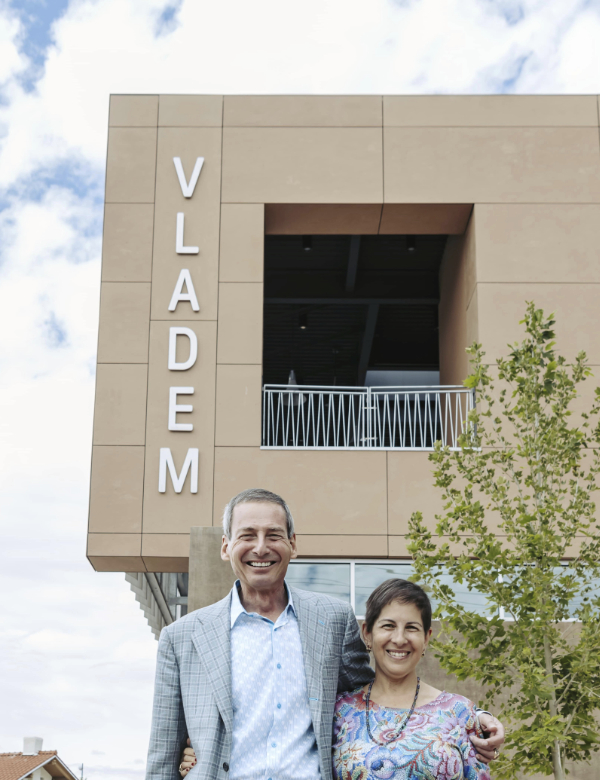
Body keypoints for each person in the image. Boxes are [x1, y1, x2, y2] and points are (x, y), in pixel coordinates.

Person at [146, 488, 503, 780]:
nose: (260, 547)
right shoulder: (182, 638)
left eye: (273, 535)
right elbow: (162, 758)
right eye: (247, 535)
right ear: (226, 547)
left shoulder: (332, 620)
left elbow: (374, 699)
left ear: (293, 544)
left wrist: (471, 718)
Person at [333, 578, 490, 779]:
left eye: (411, 628)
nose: (399, 639)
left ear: (426, 638)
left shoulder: (460, 713)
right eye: (388, 626)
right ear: (368, 634)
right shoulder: (339, 712)